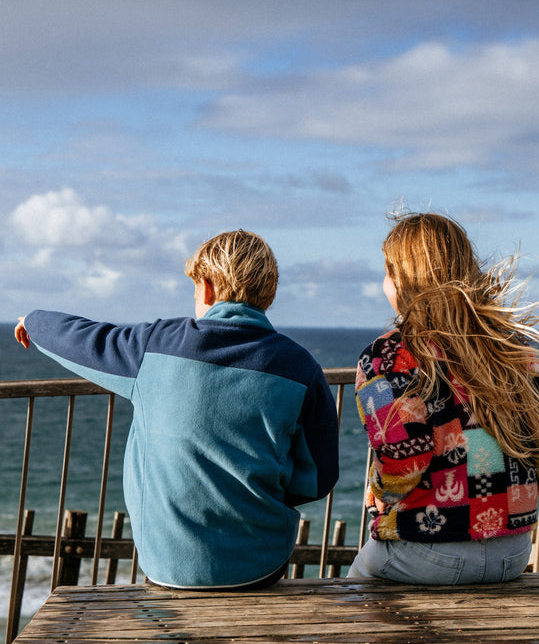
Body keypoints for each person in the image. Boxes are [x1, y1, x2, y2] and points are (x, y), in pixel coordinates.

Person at [15, 230, 339, 589]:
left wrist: (33, 320)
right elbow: (319, 478)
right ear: (269, 293)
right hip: (261, 566)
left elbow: (82, 339)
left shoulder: (155, 347)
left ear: (207, 287)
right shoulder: (300, 367)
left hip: (168, 568)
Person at [348, 212, 539, 585]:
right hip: (514, 553)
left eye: (387, 273)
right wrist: (510, 499)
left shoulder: (388, 356)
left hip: (428, 551)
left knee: (351, 601)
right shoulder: (513, 349)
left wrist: (378, 496)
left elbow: (405, 460)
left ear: (403, 280)